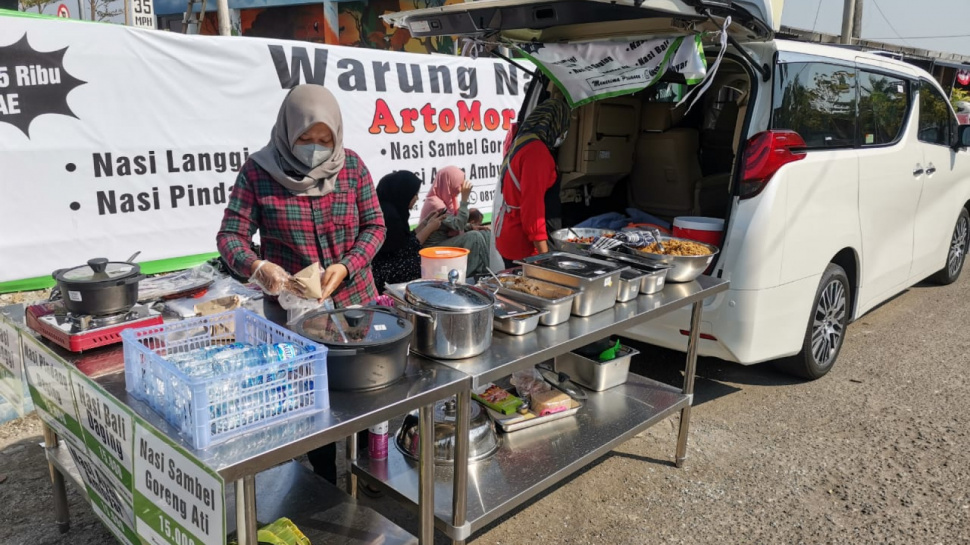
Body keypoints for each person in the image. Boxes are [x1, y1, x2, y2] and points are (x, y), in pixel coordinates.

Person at [216, 84, 385, 485]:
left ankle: (370, 468)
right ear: (287, 131)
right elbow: (230, 236)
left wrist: (347, 265)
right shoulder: (259, 173)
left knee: (363, 390)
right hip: (295, 314)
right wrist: (258, 266)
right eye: (305, 138)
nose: (315, 147)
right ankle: (324, 478)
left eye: (324, 139)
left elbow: (375, 227)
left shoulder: (353, 167)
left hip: (353, 305)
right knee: (311, 398)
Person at [494, 98, 571, 268]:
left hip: (510, 232)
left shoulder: (521, 141)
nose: (564, 134)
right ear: (555, 124)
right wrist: (545, 258)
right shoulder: (537, 152)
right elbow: (532, 209)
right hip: (524, 246)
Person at [371, 171, 446, 291]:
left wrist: (425, 223)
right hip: (380, 273)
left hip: (385, 266)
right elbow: (405, 250)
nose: (417, 198)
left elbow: (404, 240)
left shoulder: (391, 210)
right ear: (403, 194)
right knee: (423, 264)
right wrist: (429, 228)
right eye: (414, 194)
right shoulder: (389, 217)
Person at [419, 166, 491, 277]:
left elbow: (452, 225)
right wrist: (465, 199)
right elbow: (458, 225)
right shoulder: (436, 204)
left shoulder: (448, 199)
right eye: (459, 184)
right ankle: (471, 276)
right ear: (449, 182)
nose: (462, 188)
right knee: (474, 237)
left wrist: (471, 226)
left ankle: (486, 272)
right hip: (434, 248)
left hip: (444, 241)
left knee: (485, 233)